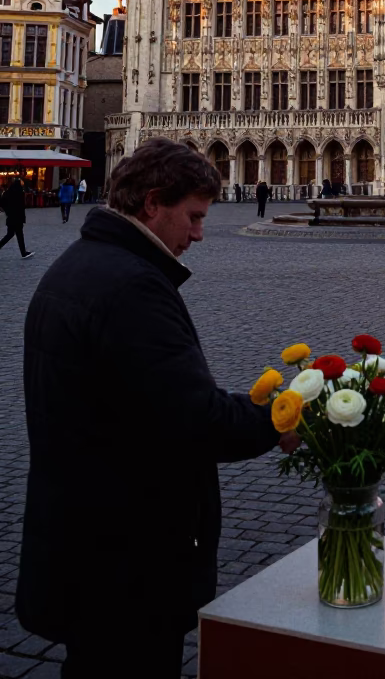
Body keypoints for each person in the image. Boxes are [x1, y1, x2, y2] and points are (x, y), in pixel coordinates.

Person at [16, 139, 287, 679]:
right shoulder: (132, 286)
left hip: (80, 540)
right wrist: (280, 416)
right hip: (125, 563)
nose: (199, 234)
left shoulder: (76, 265)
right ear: (152, 203)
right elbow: (195, 419)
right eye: (192, 217)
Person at [0, 179, 35, 259]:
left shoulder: (7, 193)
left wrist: (7, 211)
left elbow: (1, 202)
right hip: (18, 218)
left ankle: (23, 252)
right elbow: (22, 207)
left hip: (11, 217)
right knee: (19, 235)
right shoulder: (20, 193)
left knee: (10, 234)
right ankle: (23, 253)